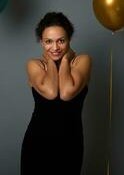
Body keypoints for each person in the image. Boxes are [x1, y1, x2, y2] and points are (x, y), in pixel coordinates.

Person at [21, 12, 92, 175]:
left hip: (70, 144)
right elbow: (52, 92)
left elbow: (66, 92)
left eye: (61, 40)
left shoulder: (83, 61)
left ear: (69, 39)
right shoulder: (34, 65)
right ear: (41, 42)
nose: (55, 47)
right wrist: (53, 62)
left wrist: (65, 60)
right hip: (37, 143)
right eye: (48, 42)